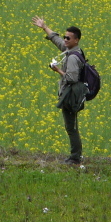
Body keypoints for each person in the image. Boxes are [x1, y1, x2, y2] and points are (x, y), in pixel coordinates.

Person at [31, 16, 88, 164]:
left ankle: (75, 158)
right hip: (70, 94)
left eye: (68, 38)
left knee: (71, 127)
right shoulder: (72, 50)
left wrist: (57, 70)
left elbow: (71, 78)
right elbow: (56, 40)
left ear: (76, 40)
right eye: (65, 37)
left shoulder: (73, 58)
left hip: (71, 96)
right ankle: (75, 156)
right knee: (71, 126)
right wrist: (44, 27)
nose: (65, 40)